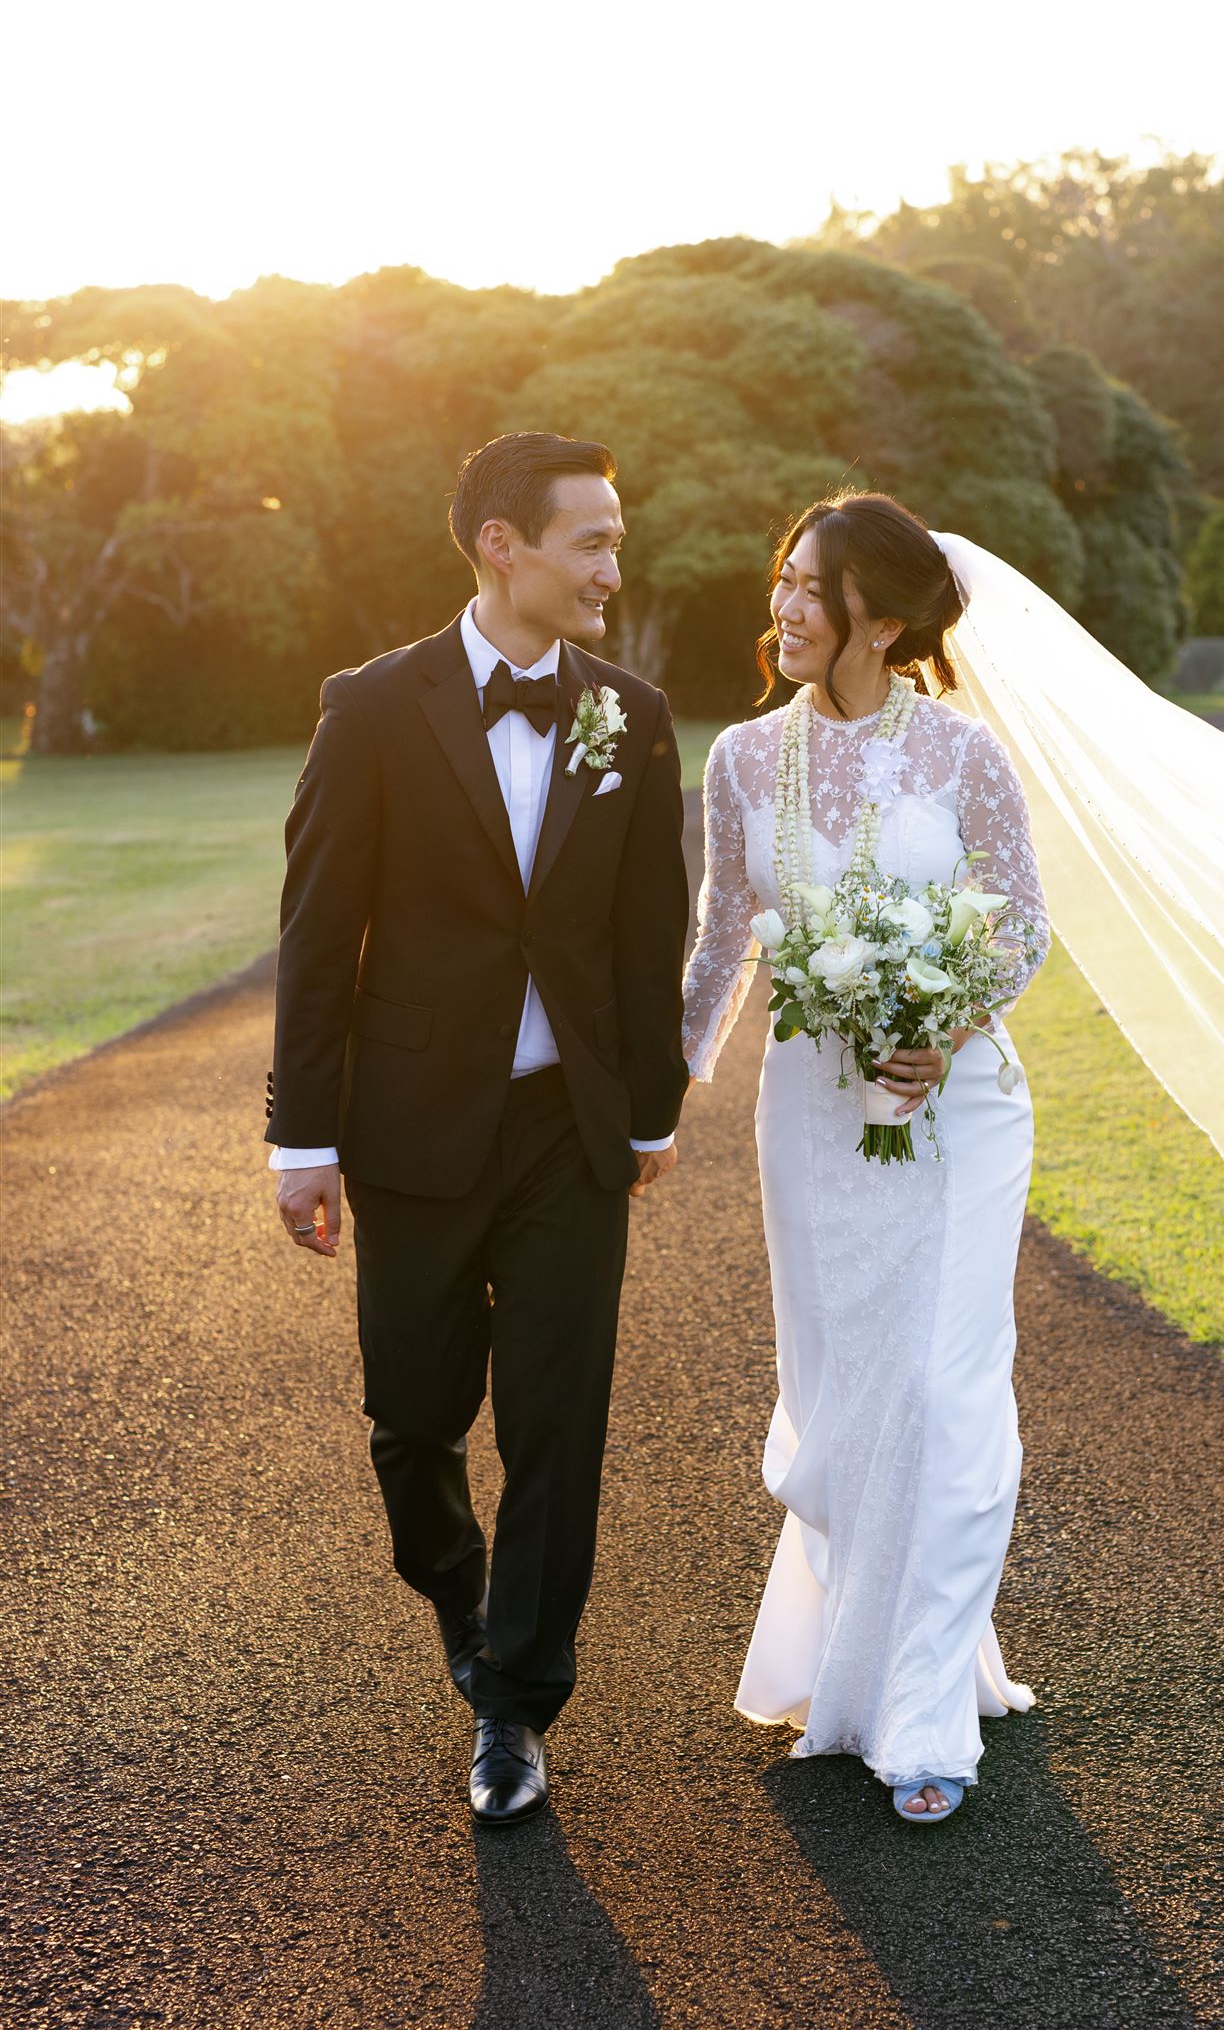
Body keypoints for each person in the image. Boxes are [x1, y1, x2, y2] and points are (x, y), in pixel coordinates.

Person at [265, 431, 690, 1826]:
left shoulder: (629, 710)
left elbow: (648, 932)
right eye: (590, 541)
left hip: (566, 1130)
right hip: (411, 1130)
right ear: (500, 545)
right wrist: (300, 1137)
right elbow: (320, 935)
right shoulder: (374, 708)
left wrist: (646, 1113)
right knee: (411, 1418)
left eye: (616, 543)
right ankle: (461, 1603)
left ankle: (515, 1702)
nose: (611, 570)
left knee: (559, 1421)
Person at [681, 491, 1049, 1822]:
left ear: (881, 619)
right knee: (849, 1399)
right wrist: (658, 1101)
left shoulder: (964, 759)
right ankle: (872, 1657)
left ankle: (921, 1715)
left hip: (960, 1115)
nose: (780, 607)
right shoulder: (736, 761)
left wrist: (944, 1029)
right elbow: (724, 937)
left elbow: (1021, 930)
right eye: (779, 578)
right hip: (810, 1115)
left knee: (944, 1396)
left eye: (809, 587)